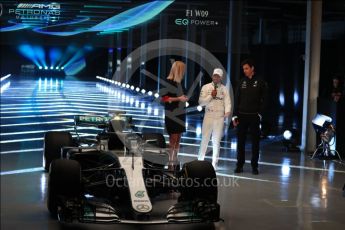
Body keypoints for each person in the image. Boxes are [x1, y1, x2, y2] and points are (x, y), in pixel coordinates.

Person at [232, 59, 268, 175]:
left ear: (252, 68)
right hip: (242, 116)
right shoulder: (241, 81)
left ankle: (254, 166)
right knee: (240, 142)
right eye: (243, 69)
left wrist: (260, 113)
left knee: (255, 142)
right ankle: (239, 165)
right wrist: (234, 116)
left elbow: (266, 99)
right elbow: (236, 99)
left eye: (246, 68)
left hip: (254, 116)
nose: (245, 71)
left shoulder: (260, 81)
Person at [198, 68, 231, 170]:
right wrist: (210, 96)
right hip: (208, 115)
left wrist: (227, 111)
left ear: (221, 78)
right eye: (214, 75)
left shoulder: (224, 89)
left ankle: (214, 163)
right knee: (204, 139)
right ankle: (200, 160)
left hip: (219, 117)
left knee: (216, 141)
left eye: (218, 76)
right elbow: (201, 102)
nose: (216, 77)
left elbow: (227, 102)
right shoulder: (206, 87)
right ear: (212, 76)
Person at [161, 61, 189, 170]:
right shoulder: (168, 82)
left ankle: (175, 161)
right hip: (172, 114)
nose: (184, 72)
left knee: (178, 140)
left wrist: (185, 98)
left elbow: (182, 96)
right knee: (173, 139)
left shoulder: (180, 83)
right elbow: (164, 98)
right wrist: (179, 98)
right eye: (183, 70)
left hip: (181, 114)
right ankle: (170, 164)